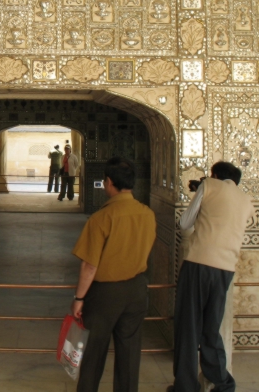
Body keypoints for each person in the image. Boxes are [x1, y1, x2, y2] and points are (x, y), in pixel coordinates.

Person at [167, 161, 255, 392]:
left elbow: (185, 222)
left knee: (188, 326)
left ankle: (185, 386)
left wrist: (201, 193)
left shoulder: (209, 186)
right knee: (210, 328)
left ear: (214, 175)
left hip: (198, 263)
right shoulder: (246, 201)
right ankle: (222, 383)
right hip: (225, 269)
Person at [70, 157, 156, 392]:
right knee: (129, 353)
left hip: (105, 294)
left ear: (109, 182)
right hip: (137, 290)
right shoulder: (147, 214)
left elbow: (89, 265)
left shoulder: (102, 218)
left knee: (94, 352)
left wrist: (79, 299)